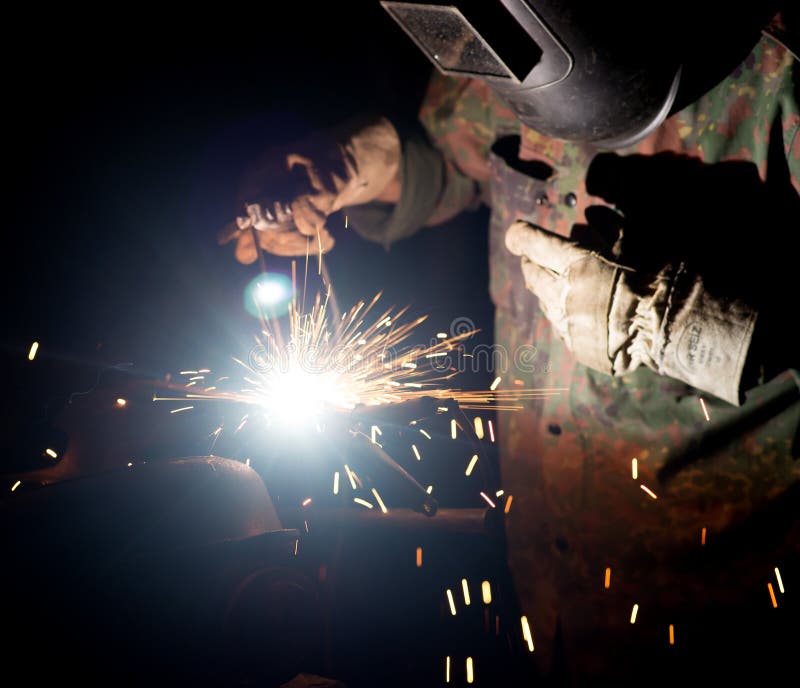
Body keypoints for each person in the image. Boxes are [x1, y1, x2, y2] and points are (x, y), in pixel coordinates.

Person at [220, 2, 799, 684]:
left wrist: (699, 325)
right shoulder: (505, 26)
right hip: (548, 589)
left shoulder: (778, 73)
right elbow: (456, 158)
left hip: (726, 611)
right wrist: (353, 165)